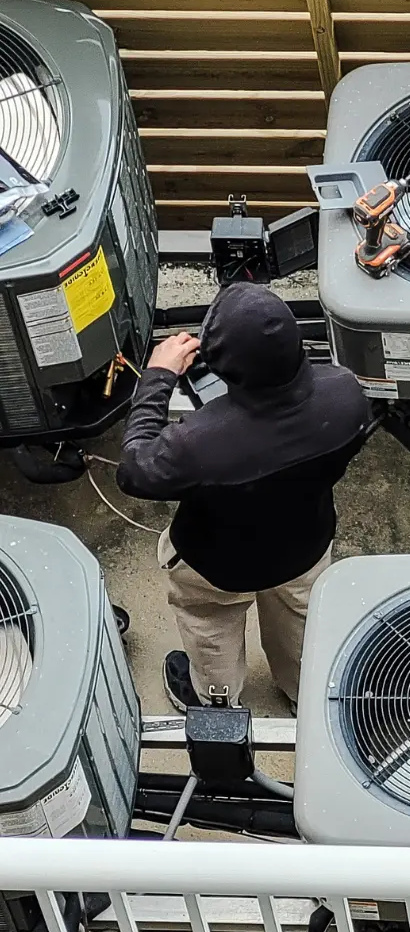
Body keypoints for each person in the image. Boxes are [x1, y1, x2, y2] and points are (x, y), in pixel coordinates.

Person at [116, 282, 375, 712]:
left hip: (216, 563)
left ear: (222, 369)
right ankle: (302, 694)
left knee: (209, 624)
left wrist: (159, 377)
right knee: (300, 621)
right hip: (304, 546)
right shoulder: (346, 394)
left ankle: (219, 703)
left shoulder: (196, 443)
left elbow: (134, 471)